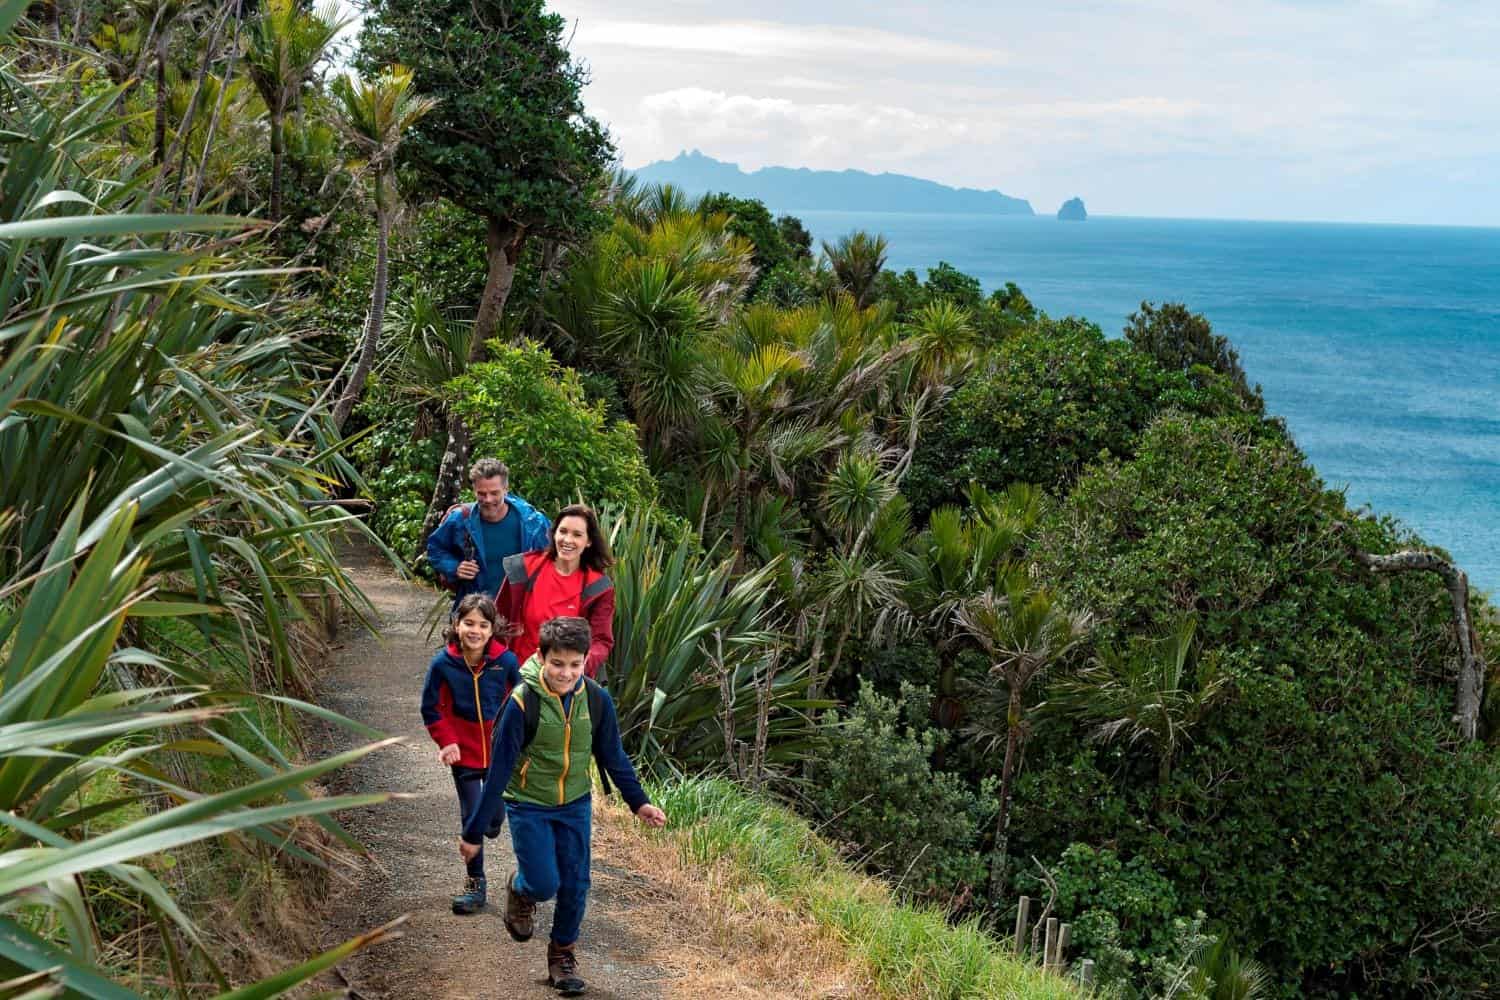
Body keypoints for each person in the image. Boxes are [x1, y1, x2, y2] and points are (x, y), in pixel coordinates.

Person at [460, 617, 666, 996]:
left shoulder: (596, 700)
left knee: (576, 884)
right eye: (558, 663)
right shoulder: (522, 702)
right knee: (544, 882)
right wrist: (474, 831)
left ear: (586, 661)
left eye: (575, 664)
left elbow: (613, 756)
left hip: (574, 804)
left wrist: (640, 803)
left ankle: (562, 955)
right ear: (541, 657)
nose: (566, 673)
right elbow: (500, 769)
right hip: (529, 804)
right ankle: (522, 889)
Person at [419, 593, 520, 915]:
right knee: (471, 817)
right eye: (468, 623)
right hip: (463, 753)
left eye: (482, 624)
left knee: (492, 817)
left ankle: (493, 817)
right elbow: (430, 708)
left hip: (499, 752)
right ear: (456, 625)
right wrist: (446, 741)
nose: (474, 630)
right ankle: (475, 883)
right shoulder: (443, 664)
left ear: (492, 630)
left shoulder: (505, 662)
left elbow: (521, 702)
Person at [496, 503, 614, 680]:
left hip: (565, 680)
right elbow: (497, 620)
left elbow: (601, 641)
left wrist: (580, 665)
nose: (567, 540)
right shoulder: (525, 568)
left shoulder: (598, 587)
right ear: (554, 533)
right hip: (518, 675)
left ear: (588, 541)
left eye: (577, 535)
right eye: (563, 531)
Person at [426, 458, 551, 607]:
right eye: (481, 494)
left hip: (520, 611)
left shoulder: (533, 521)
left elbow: (551, 560)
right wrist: (455, 567)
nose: (488, 499)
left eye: (494, 493)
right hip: (474, 612)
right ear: (474, 490)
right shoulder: (460, 519)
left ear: (506, 489)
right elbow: (435, 549)